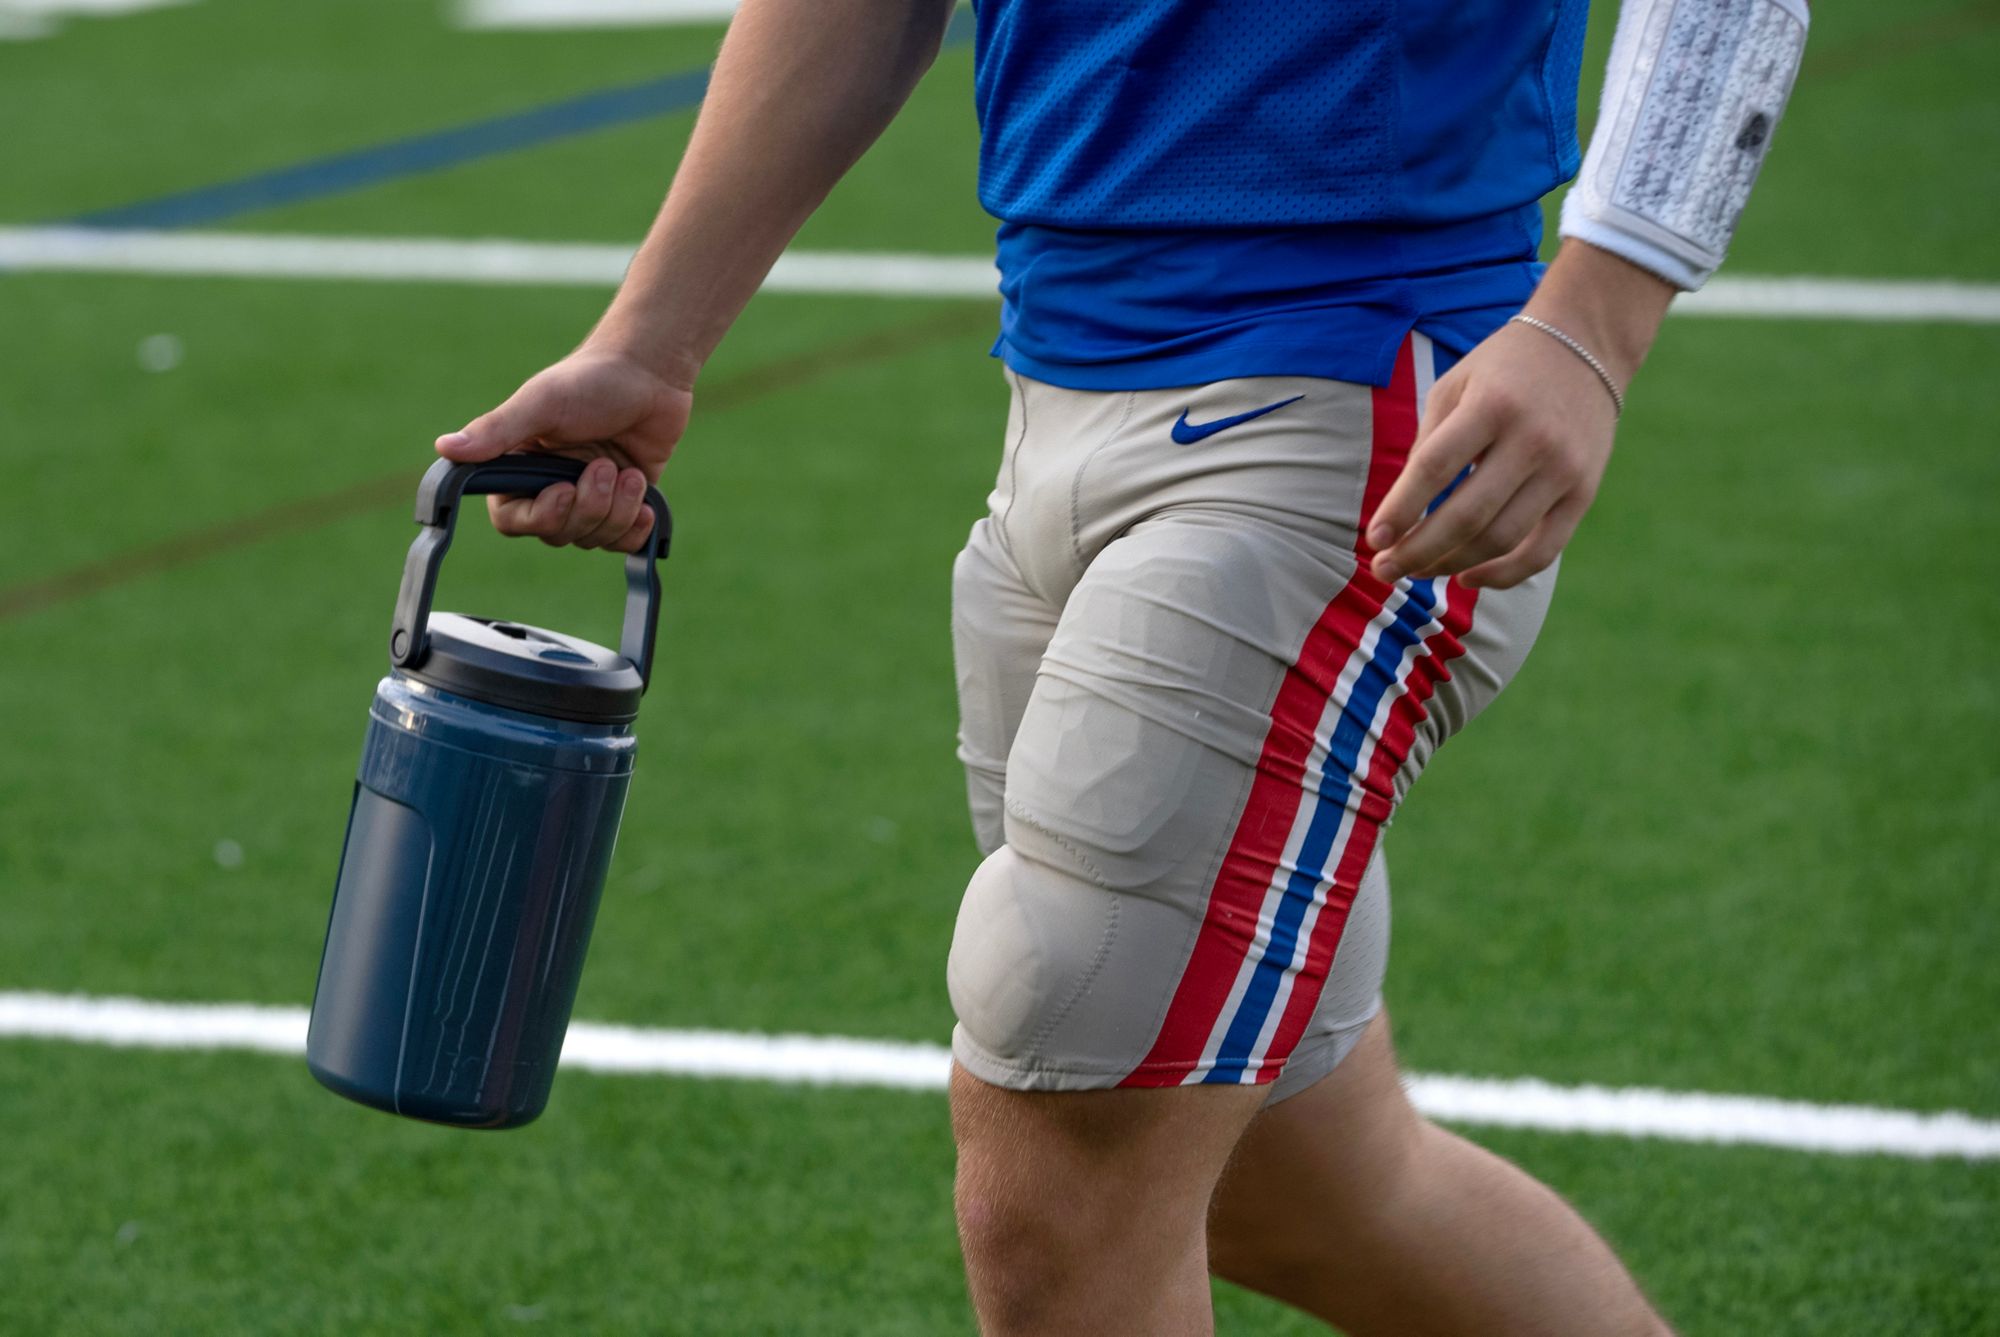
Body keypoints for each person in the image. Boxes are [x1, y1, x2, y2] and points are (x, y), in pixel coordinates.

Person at [433, 0, 1807, 1330]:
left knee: (1068, 1161)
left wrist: (1596, 319)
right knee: (1292, 1181)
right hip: (1052, 409)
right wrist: (649, 340)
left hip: (1348, 420)